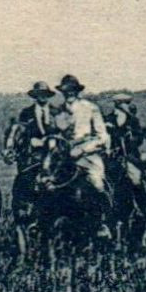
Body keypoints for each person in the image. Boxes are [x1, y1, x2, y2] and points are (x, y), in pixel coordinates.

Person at [56, 74, 112, 215]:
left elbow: (102, 136)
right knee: (45, 182)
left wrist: (83, 149)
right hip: (62, 157)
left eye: (72, 90)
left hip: (87, 156)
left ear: (77, 91)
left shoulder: (90, 108)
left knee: (97, 182)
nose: (69, 93)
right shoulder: (57, 111)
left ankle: (103, 221)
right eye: (65, 90)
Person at [106, 92, 146, 188]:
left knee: (136, 179)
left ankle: (142, 201)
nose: (128, 106)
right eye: (126, 103)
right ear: (118, 104)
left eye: (128, 103)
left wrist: (129, 140)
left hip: (129, 154)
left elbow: (139, 137)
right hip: (111, 155)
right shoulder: (108, 119)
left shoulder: (133, 120)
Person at [5, 80, 56, 171]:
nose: (43, 96)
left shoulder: (55, 112)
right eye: (40, 93)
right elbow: (20, 132)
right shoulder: (27, 112)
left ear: (48, 95)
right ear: (35, 95)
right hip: (31, 153)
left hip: (52, 152)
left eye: (45, 93)